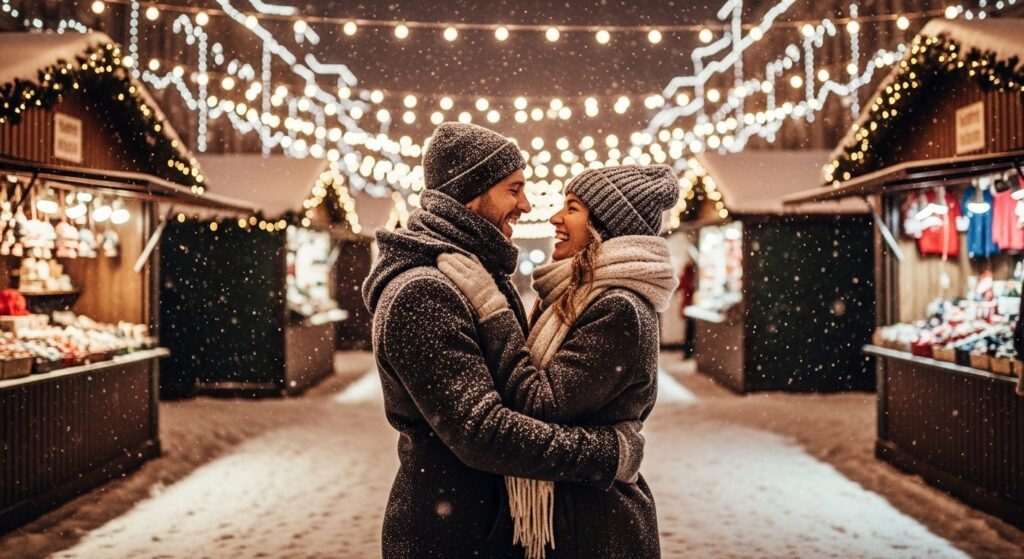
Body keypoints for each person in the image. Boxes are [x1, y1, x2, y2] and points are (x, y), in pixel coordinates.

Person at [362, 122, 646, 558]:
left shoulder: (475, 276)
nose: (527, 204)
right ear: (471, 194)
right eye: (513, 190)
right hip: (451, 534)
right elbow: (483, 431)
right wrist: (606, 455)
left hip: (483, 527)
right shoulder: (423, 292)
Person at [438, 165, 679, 559]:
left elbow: (540, 404)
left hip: (598, 527)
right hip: (570, 515)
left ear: (605, 226)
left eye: (573, 208)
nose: (554, 217)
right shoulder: (576, 296)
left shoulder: (617, 308)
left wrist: (491, 310)